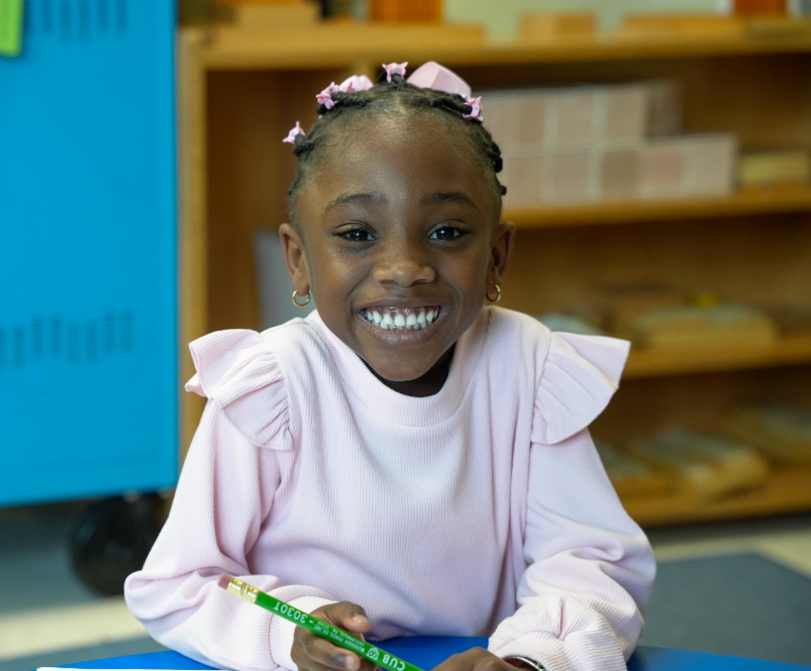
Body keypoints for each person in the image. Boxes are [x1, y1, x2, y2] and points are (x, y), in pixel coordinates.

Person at [125, 61, 655, 671]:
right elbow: (180, 583)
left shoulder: (527, 367)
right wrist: (286, 638)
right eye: (356, 234)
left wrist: (530, 661)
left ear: (496, 258)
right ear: (297, 261)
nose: (404, 267)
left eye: (449, 230)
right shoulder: (273, 385)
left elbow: (591, 562)